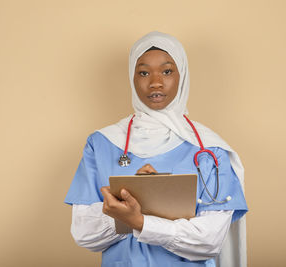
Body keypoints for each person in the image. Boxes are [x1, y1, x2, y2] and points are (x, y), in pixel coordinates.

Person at [64, 31, 248, 267]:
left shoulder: (210, 149)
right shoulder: (101, 143)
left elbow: (209, 240)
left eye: (167, 71)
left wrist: (137, 220)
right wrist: (136, 207)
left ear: (182, 75)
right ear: (132, 77)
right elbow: (84, 233)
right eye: (143, 72)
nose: (155, 82)